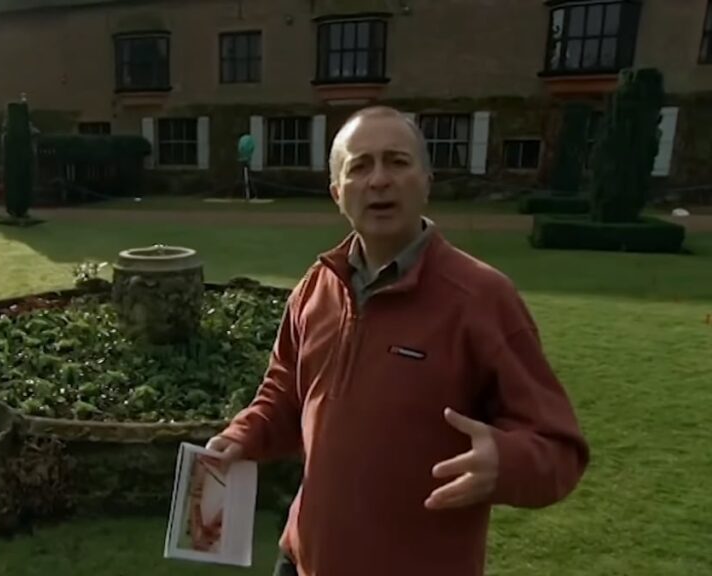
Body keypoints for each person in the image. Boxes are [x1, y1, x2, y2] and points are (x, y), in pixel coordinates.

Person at [206, 106, 590, 576]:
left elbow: (559, 449)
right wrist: (242, 435)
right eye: (360, 166)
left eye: (397, 162)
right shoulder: (316, 287)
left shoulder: (482, 299)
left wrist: (508, 462)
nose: (380, 180)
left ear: (426, 180)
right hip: (302, 561)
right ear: (337, 193)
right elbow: (284, 396)